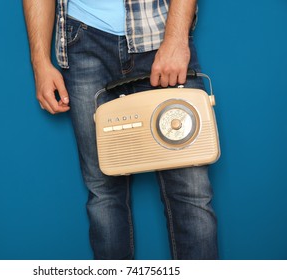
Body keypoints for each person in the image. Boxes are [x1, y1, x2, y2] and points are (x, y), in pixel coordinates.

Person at [23, 0, 218, 260]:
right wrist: (40, 63)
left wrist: (176, 39)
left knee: (191, 192)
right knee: (103, 191)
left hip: (160, 33)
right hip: (83, 41)